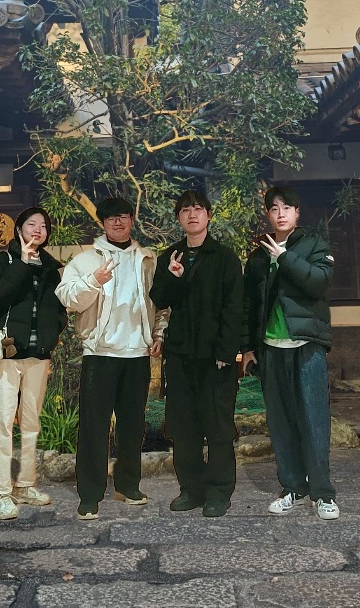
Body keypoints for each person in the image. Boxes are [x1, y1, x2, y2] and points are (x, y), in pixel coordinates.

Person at [56, 197, 166, 520]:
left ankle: (128, 485)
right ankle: (89, 495)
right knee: (94, 426)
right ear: (102, 224)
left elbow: (161, 304)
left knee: (133, 425)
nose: (118, 223)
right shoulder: (86, 259)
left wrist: (158, 335)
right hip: (100, 353)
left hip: (137, 353)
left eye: (123, 217)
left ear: (131, 220)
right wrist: (94, 281)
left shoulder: (147, 259)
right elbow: (67, 298)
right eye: (111, 219)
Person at [240, 185, 340, 520]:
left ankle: (323, 493)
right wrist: (247, 348)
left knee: (314, 419)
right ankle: (293, 487)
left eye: (286, 208)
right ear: (268, 214)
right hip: (270, 349)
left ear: (297, 212)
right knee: (280, 422)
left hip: (306, 345)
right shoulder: (257, 256)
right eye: (274, 208)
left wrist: (284, 258)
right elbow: (249, 305)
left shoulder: (314, 245)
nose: (280, 213)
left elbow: (318, 282)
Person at [149, 190, 244, 517]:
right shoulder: (170, 256)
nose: (192, 215)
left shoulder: (225, 258)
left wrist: (226, 351)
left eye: (198, 209)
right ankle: (190, 489)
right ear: (178, 217)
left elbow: (234, 307)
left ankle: (218, 491)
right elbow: (160, 298)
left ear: (208, 216)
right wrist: (175, 278)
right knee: (183, 427)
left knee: (218, 427)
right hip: (179, 355)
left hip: (215, 357)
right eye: (186, 210)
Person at [0, 206, 67, 521]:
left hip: (38, 356)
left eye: (43, 225)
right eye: (31, 224)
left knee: (31, 424)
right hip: (6, 355)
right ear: (19, 229)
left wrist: (51, 337)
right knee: (2, 423)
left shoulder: (51, 268)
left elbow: (58, 310)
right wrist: (22, 263)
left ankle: (26, 484)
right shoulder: (3, 261)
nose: (38, 229)